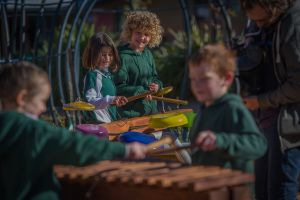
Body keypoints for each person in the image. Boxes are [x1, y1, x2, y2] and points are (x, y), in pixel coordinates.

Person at [0, 61, 146, 200]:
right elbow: (74, 144)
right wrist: (124, 150)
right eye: (41, 101)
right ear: (22, 98)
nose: (43, 109)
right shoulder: (30, 130)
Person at [240, 0, 300, 199]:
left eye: (262, 20)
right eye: (253, 21)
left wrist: (261, 101)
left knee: (279, 189)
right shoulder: (261, 20)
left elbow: (297, 86)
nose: (257, 25)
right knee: (261, 189)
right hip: (264, 118)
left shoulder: (294, 23)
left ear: (274, 6)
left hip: (288, 123)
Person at [189, 44, 267, 175]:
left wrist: (220, 141)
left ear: (227, 78)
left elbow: (258, 145)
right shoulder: (204, 109)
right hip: (208, 183)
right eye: (193, 79)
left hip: (232, 188)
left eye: (205, 79)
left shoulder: (232, 107)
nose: (197, 85)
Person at [113, 11, 164, 118]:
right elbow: (117, 87)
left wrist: (157, 86)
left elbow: (154, 77)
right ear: (130, 32)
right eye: (138, 33)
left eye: (146, 34)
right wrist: (141, 92)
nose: (142, 38)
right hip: (130, 114)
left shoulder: (148, 54)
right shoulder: (121, 56)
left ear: (152, 37)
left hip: (151, 111)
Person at [82, 32, 128, 123]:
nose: (107, 58)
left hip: (110, 122)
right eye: (103, 55)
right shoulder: (92, 76)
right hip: (99, 124)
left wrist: (116, 100)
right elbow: (90, 102)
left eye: (110, 55)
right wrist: (110, 99)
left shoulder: (107, 75)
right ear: (93, 54)